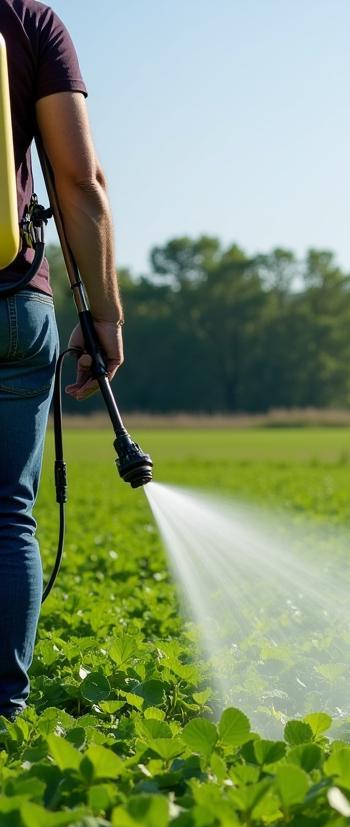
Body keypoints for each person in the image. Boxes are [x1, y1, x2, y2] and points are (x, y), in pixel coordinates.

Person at [0, 0, 123, 720]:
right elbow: (78, 180)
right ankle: (4, 716)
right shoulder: (30, 22)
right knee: (9, 514)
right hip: (14, 305)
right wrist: (103, 314)